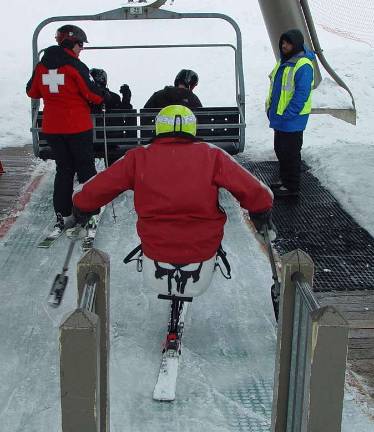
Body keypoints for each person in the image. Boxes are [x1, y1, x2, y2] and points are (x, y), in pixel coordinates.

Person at [72, 104, 275, 298]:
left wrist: (82, 205)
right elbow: (255, 192)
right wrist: (260, 212)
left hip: (156, 247)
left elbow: (100, 187)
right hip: (201, 248)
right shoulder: (212, 156)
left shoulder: (138, 158)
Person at [26, 24, 109, 230]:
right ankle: (89, 211)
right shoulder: (75, 66)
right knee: (85, 169)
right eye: (81, 45)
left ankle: (62, 213)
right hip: (77, 126)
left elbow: (32, 92)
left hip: (53, 128)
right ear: (72, 43)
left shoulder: (42, 66)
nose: (82, 49)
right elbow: (95, 95)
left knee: (64, 170)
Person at [266, 29, 315, 197]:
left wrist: (288, 113)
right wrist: (270, 109)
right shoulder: (284, 61)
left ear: (296, 44)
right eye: (283, 42)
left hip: (292, 119)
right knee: (280, 150)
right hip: (280, 117)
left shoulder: (303, 65)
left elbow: (301, 94)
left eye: (288, 43)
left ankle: (292, 186)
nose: (284, 46)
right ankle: (285, 179)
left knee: (291, 152)